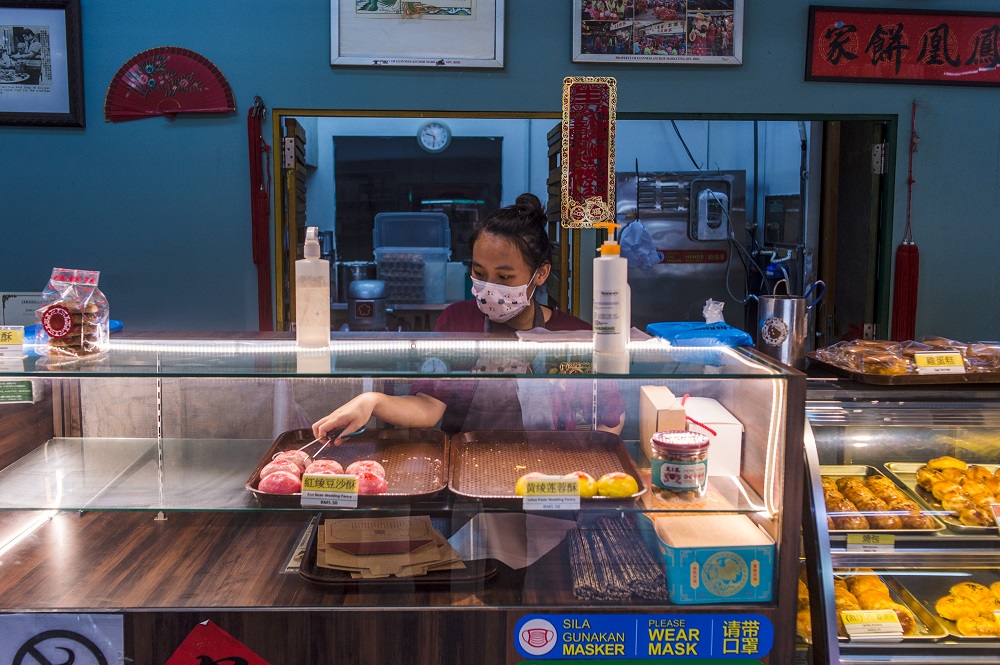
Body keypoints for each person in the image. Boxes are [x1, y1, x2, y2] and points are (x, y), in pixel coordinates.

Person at [312, 193, 626, 443]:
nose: (490, 288)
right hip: (469, 473)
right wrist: (372, 401)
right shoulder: (457, 322)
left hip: (551, 482)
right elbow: (428, 407)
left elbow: (609, 421)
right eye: (479, 273)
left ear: (540, 273)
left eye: (504, 277)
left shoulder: (575, 334)